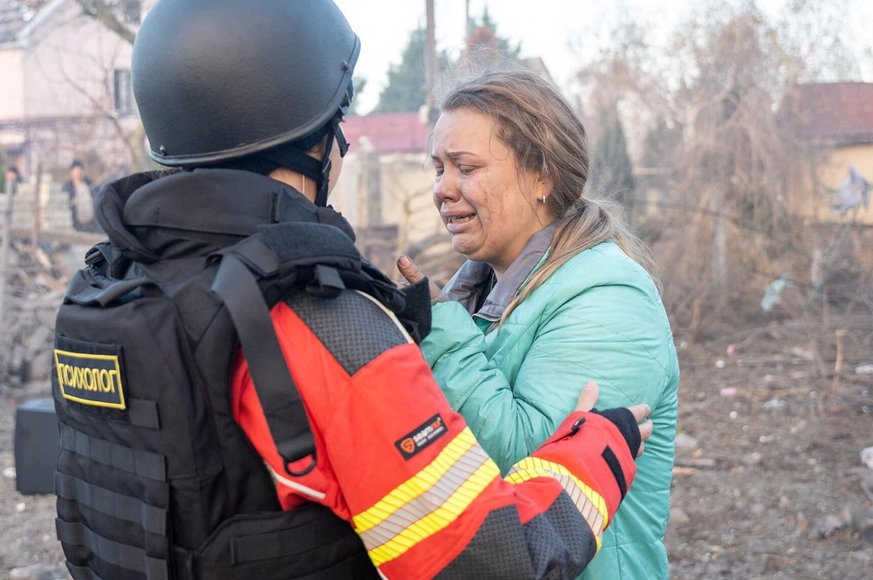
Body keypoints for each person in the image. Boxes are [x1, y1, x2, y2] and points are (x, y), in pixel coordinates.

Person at [51, 1, 654, 579]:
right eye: (337, 126)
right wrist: (599, 444)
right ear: (317, 141)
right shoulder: (322, 321)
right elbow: (494, 558)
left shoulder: (107, 290)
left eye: (464, 167)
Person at [397, 68, 680, 580]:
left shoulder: (609, 297)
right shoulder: (480, 297)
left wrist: (437, 331)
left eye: (465, 167)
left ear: (542, 174)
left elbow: (536, 481)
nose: (442, 188)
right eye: (438, 168)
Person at [62, 159, 99, 232]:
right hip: (75, 224)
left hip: (92, 224)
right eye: (75, 171)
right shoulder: (68, 188)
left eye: (79, 171)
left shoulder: (90, 185)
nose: (78, 173)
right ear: (71, 172)